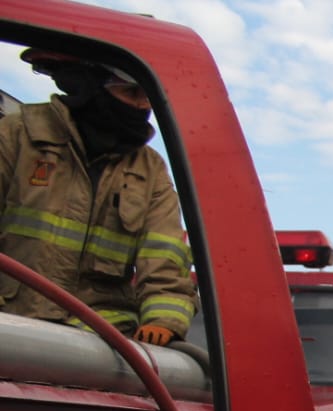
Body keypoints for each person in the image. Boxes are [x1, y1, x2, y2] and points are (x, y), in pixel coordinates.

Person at [0, 50, 195, 344]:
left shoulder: (150, 169)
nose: (143, 105)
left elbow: (164, 259)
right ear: (89, 86)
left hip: (99, 348)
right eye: (131, 92)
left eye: (148, 96)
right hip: (11, 326)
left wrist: (164, 320)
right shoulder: (16, 136)